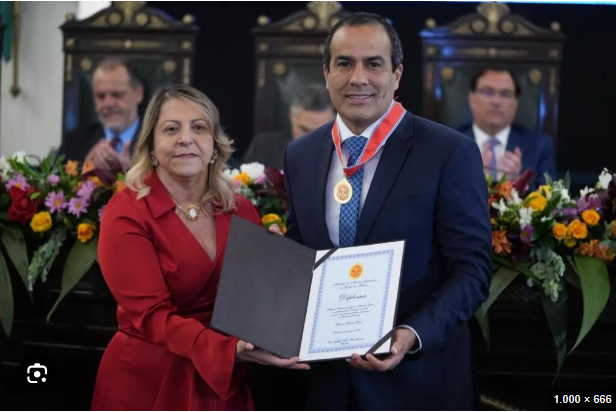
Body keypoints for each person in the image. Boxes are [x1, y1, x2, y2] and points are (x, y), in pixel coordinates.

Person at [280, 12, 492, 410]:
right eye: (344, 63)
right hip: (326, 385)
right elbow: (303, 255)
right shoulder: (300, 154)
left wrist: (411, 334)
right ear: (326, 73)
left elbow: (472, 272)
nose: (358, 77)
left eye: (373, 64)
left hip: (417, 383)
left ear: (397, 74)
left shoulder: (449, 152)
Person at [92, 84, 308, 411]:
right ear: (151, 146)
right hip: (149, 380)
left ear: (214, 145)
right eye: (171, 129)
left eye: (199, 127)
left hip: (221, 381)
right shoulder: (126, 213)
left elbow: (251, 302)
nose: (186, 138)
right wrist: (226, 350)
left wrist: (275, 265)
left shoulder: (240, 210)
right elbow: (152, 316)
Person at [457, 67, 556, 187]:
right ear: (471, 98)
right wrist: (473, 176)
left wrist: (518, 183)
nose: (496, 101)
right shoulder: (451, 143)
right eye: (488, 92)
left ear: (516, 102)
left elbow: (548, 195)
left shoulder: (539, 146)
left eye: (506, 94)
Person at [56, 57, 144, 172]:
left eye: (117, 95)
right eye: (101, 96)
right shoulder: (74, 141)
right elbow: (56, 181)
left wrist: (131, 172)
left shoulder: (157, 141)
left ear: (138, 94)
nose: (108, 104)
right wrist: (85, 170)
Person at [243, 83, 335, 169]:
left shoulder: (342, 156)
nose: (312, 139)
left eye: (321, 131)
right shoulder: (263, 147)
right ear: (291, 116)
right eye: (304, 129)